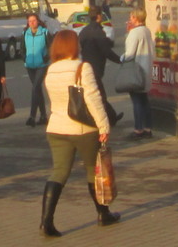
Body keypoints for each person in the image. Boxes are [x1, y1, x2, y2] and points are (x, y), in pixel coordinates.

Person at [40, 28, 119, 236]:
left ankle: (46, 222)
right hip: (82, 129)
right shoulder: (82, 68)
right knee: (94, 169)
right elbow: (93, 99)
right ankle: (103, 214)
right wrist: (104, 126)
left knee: (59, 172)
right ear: (75, 46)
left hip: (56, 128)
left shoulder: (51, 70)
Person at [78, 8, 121, 123]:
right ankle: (110, 118)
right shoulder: (98, 32)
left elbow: (79, 47)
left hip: (85, 66)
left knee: (98, 93)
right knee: (99, 95)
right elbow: (106, 51)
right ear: (99, 16)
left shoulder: (84, 31)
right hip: (95, 68)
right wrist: (120, 60)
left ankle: (111, 117)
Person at [121, 6, 154, 138]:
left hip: (136, 71)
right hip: (146, 69)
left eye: (131, 17)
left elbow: (129, 54)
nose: (129, 19)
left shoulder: (134, 33)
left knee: (136, 101)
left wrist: (121, 58)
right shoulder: (146, 31)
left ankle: (138, 129)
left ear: (135, 18)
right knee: (144, 99)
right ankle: (148, 127)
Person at [23, 12, 52, 127]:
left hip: (41, 65)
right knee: (37, 89)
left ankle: (32, 116)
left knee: (35, 87)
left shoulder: (44, 32)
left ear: (38, 21)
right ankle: (44, 116)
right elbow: (22, 48)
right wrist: (24, 58)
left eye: (34, 21)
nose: (32, 23)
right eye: (30, 21)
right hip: (30, 66)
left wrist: (45, 59)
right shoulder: (25, 33)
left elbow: (51, 47)